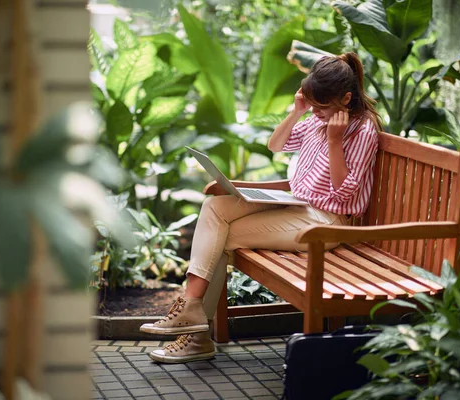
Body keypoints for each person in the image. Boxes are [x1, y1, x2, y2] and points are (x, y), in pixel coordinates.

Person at [140, 52, 383, 364]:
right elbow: (276, 144)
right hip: (298, 206)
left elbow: (345, 191)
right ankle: (191, 312)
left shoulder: (362, 131)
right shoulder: (316, 119)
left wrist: (335, 141)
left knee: (221, 239)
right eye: (312, 106)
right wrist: (298, 112)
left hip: (327, 223)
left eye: (320, 108)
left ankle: (195, 333)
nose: (316, 114)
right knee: (216, 208)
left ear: (346, 99)